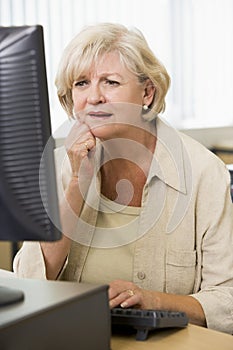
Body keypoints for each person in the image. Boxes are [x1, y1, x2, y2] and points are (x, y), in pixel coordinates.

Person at [13, 22, 233, 334]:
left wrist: (154, 301)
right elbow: (29, 281)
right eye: (81, 83)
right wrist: (78, 185)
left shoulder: (203, 173)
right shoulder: (58, 166)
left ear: (147, 92)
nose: (94, 97)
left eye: (110, 82)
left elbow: (228, 302)